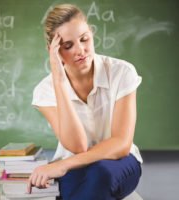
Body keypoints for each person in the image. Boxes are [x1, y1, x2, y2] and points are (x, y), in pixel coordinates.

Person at [28, 4, 142, 200]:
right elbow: (78, 145)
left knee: (100, 174)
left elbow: (121, 144)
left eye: (84, 39)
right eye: (68, 45)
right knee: (85, 189)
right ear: (53, 50)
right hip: (75, 168)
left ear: (91, 34)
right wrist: (59, 80)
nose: (81, 50)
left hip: (119, 163)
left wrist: (62, 165)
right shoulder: (45, 91)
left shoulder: (122, 72)